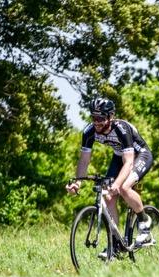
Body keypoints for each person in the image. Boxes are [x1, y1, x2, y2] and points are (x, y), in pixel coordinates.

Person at [65, 98, 154, 257]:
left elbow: (128, 162)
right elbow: (84, 160)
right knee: (108, 198)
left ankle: (144, 221)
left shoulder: (122, 128)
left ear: (111, 117)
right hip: (119, 157)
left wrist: (117, 184)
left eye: (101, 118)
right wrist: (78, 182)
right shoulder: (89, 131)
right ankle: (115, 246)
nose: (96, 122)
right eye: (93, 117)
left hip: (140, 155)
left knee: (123, 188)